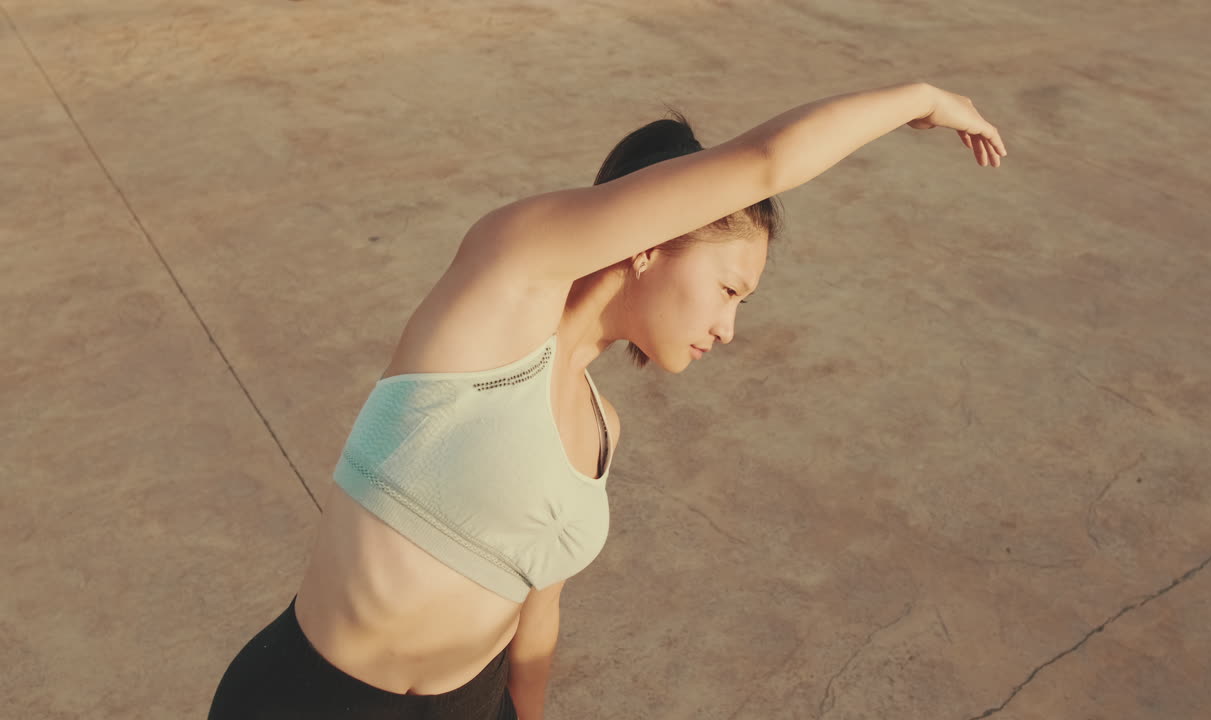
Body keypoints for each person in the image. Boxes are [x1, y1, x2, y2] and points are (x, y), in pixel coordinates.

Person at [207, 81, 1006, 719]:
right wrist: (920, 99)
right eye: (729, 288)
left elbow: (535, 612)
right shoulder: (504, 285)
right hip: (319, 698)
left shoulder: (602, 429)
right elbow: (764, 162)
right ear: (655, 238)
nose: (728, 328)